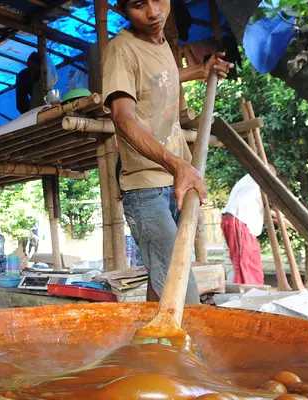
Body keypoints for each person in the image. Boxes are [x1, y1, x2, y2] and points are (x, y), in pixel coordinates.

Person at [104, 0, 233, 302]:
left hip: (174, 183)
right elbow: (122, 118)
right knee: (181, 291)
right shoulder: (121, 50)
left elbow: (162, 78)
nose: (153, 12)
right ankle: (182, 347)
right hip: (146, 188)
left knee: (162, 280)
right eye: (138, 5)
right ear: (123, 10)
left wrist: (202, 70)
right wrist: (178, 166)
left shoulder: (162, 44)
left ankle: (151, 347)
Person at [221, 167, 292, 284]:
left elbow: (267, 213)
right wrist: (283, 220)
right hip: (238, 220)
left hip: (244, 224)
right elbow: (270, 210)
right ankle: (245, 293)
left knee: (253, 260)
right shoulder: (256, 179)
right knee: (243, 262)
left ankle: (257, 287)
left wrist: (284, 221)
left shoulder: (254, 189)